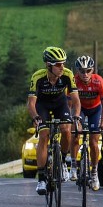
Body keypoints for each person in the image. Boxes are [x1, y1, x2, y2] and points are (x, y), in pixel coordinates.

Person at [26, 47, 81, 195]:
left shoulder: (68, 74)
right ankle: (42, 178)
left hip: (60, 104)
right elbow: (31, 103)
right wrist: (36, 117)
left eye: (63, 63)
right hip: (42, 105)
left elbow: (76, 100)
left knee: (66, 129)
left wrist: (76, 115)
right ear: (48, 65)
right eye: (58, 64)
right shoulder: (38, 77)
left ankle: (62, 160)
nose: (62, 67)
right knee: (44, 135)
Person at [70, 55, 103, 190]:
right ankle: (74, 166)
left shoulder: (99, 82)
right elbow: (70, 104)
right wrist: (73, 120)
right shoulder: (73, 81)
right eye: (82, 71)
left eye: (88, 70)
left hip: (95, 110)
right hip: (79, 109)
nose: (85, 74)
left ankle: (94, 172)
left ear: (92, 70)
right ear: (77, 71)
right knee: (75, 134)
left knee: (93, 142)